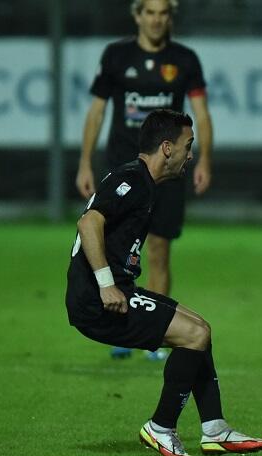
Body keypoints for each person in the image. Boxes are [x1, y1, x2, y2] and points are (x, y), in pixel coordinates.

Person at [66, 109, 262, 456]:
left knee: (200, 330)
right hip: (98, 302)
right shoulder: (132, 180)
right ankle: (160, 428)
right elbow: (88, 223)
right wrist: (106, 284)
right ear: (167, 148)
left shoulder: (142, 181)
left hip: (113, 292)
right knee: (195, 335)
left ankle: (215, 429)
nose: (191, 155)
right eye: (188, 146)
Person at [75, 0, 214, 360]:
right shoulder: (117, 56)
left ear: (170, 17)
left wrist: (205, 160)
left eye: (163, 13)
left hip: (166, 174)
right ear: (137, 16)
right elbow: (97, 110)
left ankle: (155, 338)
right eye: (149, 12)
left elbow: (201, 112)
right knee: (112, 244)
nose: (156, 19)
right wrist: (84, 163)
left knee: (159, 249)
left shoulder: (184, 59)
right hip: (123, 168)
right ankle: (120, 325)